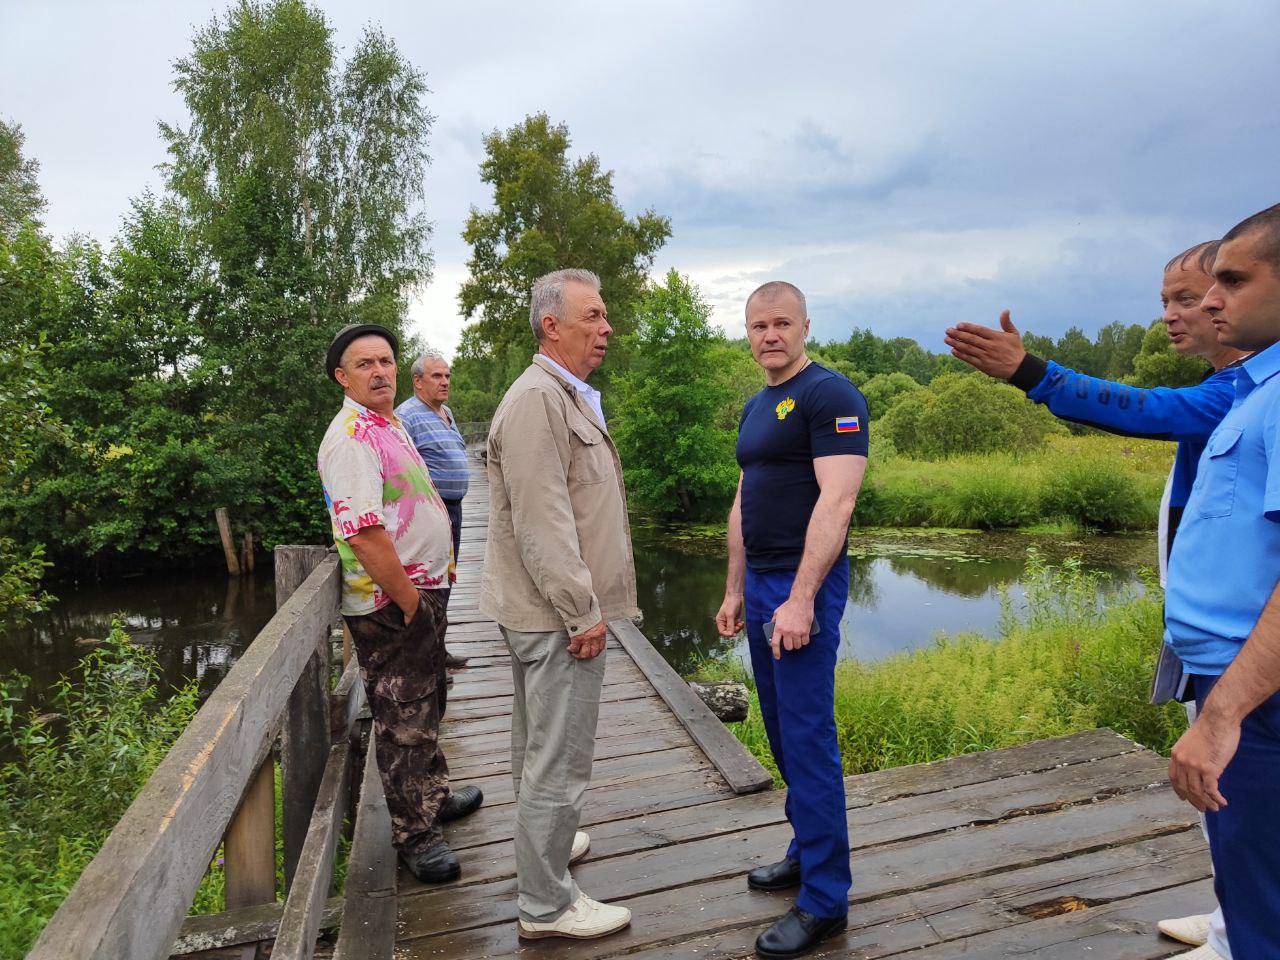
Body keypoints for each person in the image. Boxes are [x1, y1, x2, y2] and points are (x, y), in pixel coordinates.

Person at [944, 243, 1250, 960]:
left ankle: (1243, 936)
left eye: (1191, 295)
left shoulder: (1241, 392)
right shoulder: (1229, 387)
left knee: (1235, 781)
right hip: (1200, 628)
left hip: (1238, 641)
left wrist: (1032, 372)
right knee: (1223, 786)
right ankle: (1231, 914)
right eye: (1166, 299)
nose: (1174, 314)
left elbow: (1146, 410)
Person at [480, 269, 639, 940]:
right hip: (556, 618)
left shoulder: (561, 395)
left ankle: (549, 847)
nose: (607, 328)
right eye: (593, 316)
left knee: (537, 749)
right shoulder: (536, 402)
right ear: (553, 325)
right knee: (560, 757)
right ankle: (546, 906)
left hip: (545, 612)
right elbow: (542, 522)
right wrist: (583, 610)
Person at [715, 281, 869, 960]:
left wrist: (801, 598)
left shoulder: (829, 397)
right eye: (757, 325)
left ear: (804, 326)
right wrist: (731, 588)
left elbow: (836, 503)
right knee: (779, 728)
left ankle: (825, 900)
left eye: (781, 323)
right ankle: (806, 849)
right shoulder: (757, 405)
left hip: (802, 582)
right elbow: (744, 500)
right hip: (758, 584)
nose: (769, 335)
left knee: (808, 734)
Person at [317, 323, 482, 885]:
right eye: (365, 364)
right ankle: (415, 834)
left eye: (385, 361)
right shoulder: (350, 439)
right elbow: (363, 533)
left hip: (418, 592)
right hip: (391, 601)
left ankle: (431, 795)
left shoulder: (384, 424)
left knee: (428, 698)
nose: (380, 371)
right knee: (403, 717)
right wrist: (411, 602)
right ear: (343, 377)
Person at [1164, 204, 1280, 960]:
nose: (1210, 299)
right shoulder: (1255, 389)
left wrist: (1222, 716)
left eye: (1233, 281)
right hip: (1232, 677)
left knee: (1265, 894)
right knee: (1248, 868)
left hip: (1255, 689)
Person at [395, 348, 471, 669]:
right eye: (436, 376)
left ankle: (437, 649)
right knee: (428, 583)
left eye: (447, 376)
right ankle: (425, 658)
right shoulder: (407, 416)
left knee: (446, 579)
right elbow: (398, 470)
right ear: (417, 382)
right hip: (428, 515)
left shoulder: (446, 412)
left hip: (453, 510)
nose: (444, 382)